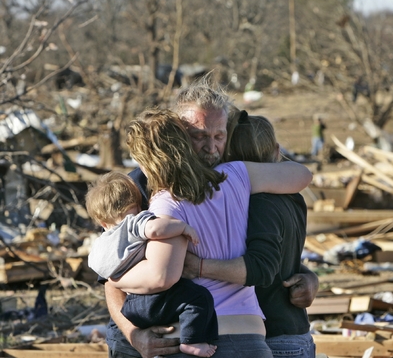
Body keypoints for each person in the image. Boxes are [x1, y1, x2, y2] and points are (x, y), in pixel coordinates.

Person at [104, 77, 318, 358]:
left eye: (219, 136)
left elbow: (266, 254)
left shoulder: (234, 178)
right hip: (160, 335)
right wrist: (134, 334)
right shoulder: (147, 188)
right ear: (178, 133)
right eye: (199, 136)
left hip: (240, 333)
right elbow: (110, 273)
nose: (211, 147)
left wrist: (307, 275)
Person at [183, 111, 316, 358]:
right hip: (295, 332)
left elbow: (263, 266)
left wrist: (198, 267)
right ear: (276, 151)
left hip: (275, 338)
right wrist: (309, 275)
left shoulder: (256, 203)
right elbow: (284, 256)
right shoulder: (293, 196)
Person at [86, 172, 218, 357]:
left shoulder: (100, 244)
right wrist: (182, 227)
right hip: (153, 300)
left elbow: (100, 271)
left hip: (130, 307)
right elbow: (155, 229)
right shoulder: (133, 222)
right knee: (198, 298)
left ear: (102, 222)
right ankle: (192, 341)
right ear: (136, 206)